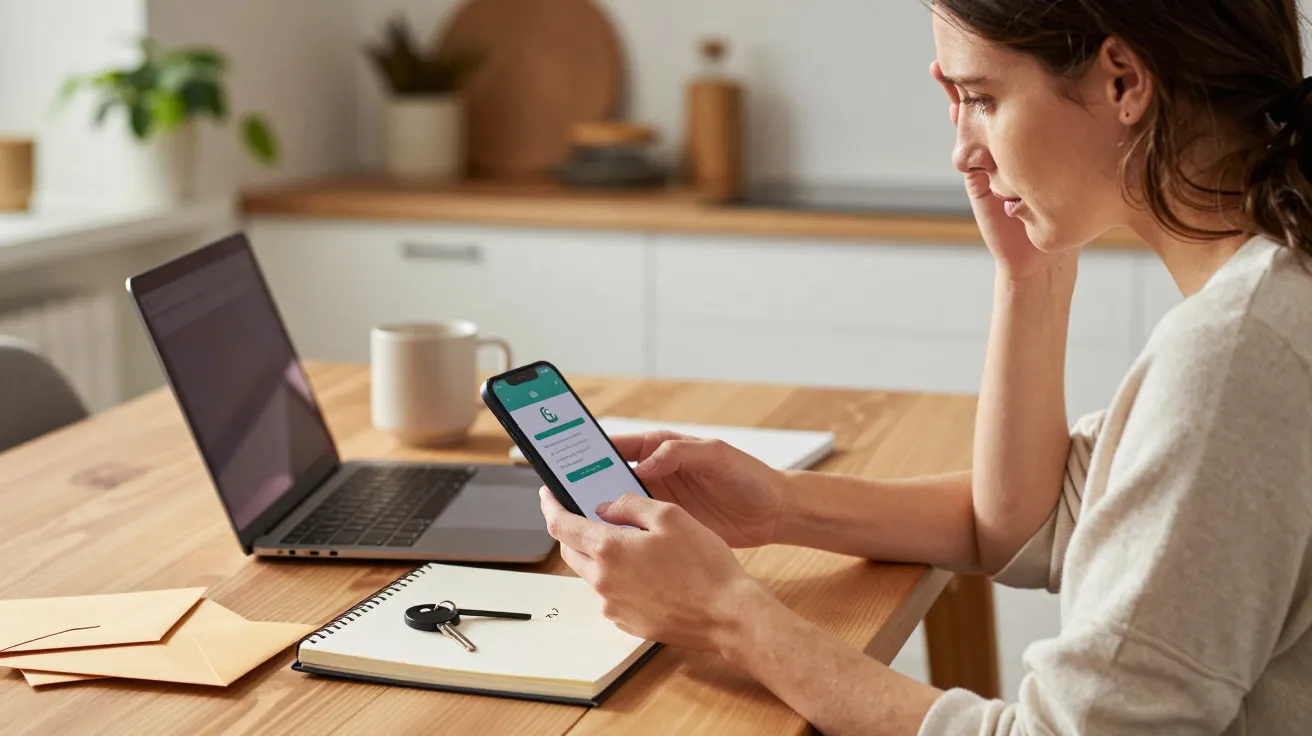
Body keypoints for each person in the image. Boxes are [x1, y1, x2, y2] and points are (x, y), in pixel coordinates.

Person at [538, 0, 1312, 732]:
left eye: (981, 97)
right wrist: (779, 507)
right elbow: (1035, 523)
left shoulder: (1236, 353)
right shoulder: (1272, 291)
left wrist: (727, 614)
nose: (962, 151)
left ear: (1123, 81)